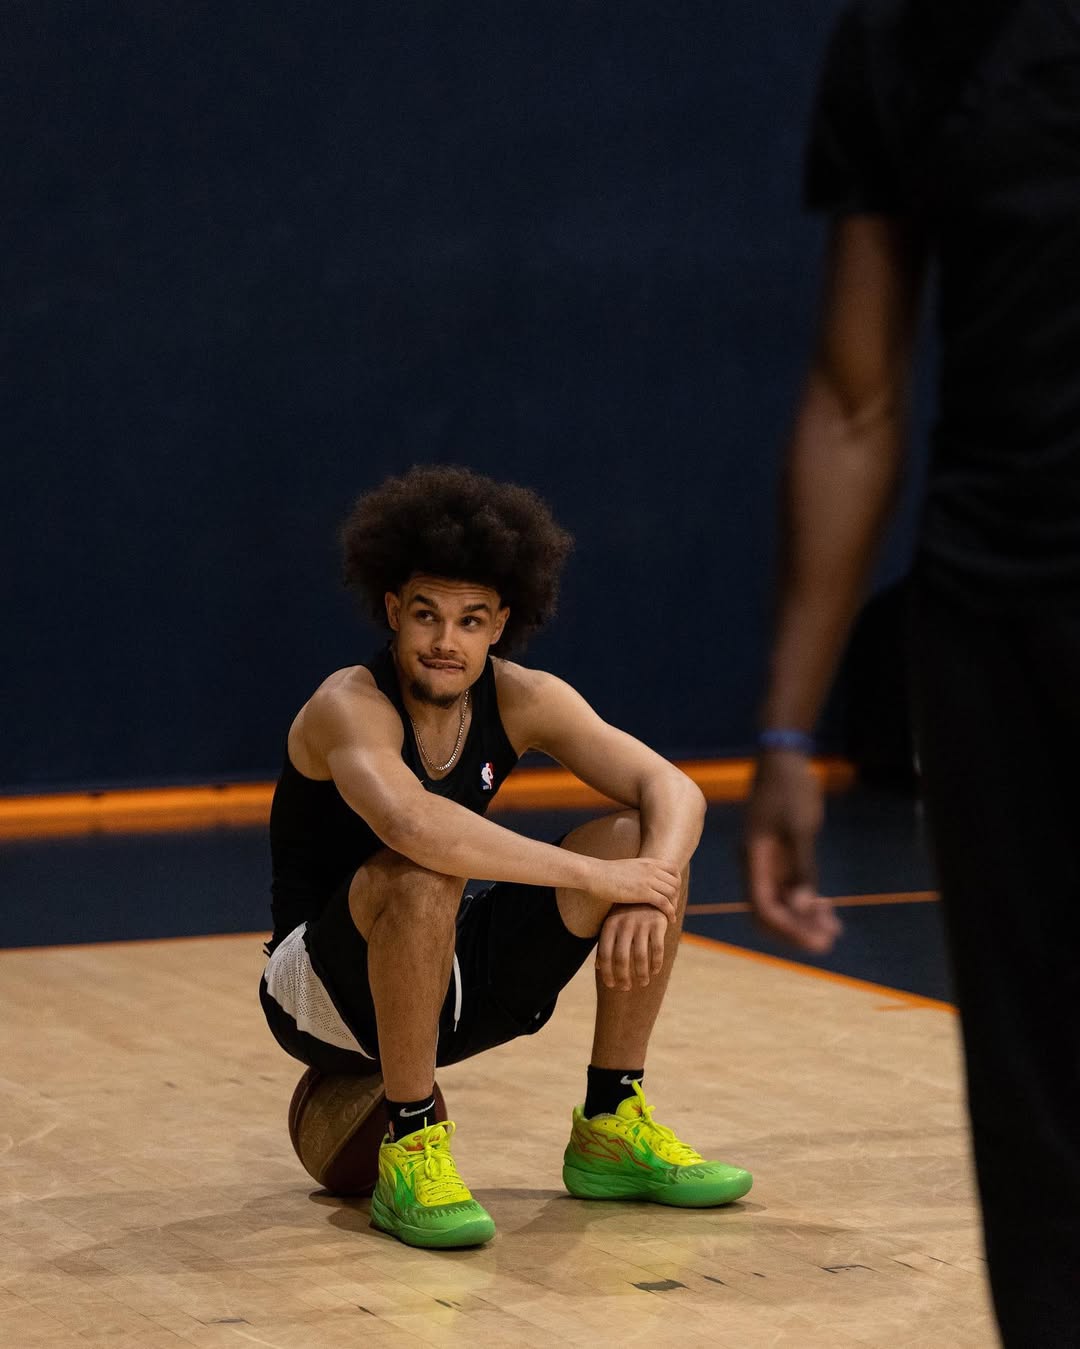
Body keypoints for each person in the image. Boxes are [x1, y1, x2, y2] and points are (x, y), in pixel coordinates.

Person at [744, 3, 1080, 1345]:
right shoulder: (904, 33)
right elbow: (854, 396)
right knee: (1038, 1112)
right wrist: (784, 730)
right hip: (998, 636)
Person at [260, 464, 752, 1249]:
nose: (445, 640)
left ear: (500, 625)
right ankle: (412, 1144)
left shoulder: (523, 695)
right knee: (422, 868)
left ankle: (609, 1123)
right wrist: (597, 878)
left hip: (441, 963)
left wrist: (646, 888)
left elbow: (674, 787)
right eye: (426, 615)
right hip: (318, 990)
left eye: (469, 620)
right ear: (393, 611)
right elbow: (414, 825)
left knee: (645, 840)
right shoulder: (346, 704)